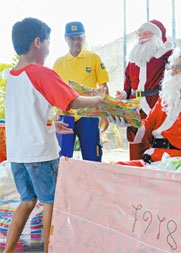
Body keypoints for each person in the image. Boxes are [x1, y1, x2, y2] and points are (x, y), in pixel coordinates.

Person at [4, 17, 106, 253]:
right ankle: (49, 250)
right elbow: (74, 101)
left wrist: (50, 125)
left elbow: (27, 112)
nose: (50, 48)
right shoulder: (41, 73)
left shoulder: (12, 76)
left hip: (18, 155)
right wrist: (99, 99)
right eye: (48, 42)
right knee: (51, 202)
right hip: (40, 154)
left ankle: (8, 251)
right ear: (37, 42)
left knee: (28, 201)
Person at [109, 45, 181, 167]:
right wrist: (131, 122)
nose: (173, 72)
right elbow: (147, 126)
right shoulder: (165, 100)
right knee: (112, 170)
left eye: (180, 67)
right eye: (172, 67)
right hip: (152, 161)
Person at [115, 19, 173, 160]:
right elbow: (128, 81)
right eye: (139, 34)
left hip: (156, 103)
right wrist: (124, 93)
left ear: (156, 36)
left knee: (157, 141)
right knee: (136, 143)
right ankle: (136, 175)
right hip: (136, 105)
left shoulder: (166, 56)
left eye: (146, 33)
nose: (142, 38)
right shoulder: (133, 59)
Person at [53, 21, 109, 162]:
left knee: (92, 158)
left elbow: (104, 87)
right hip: (66, 116)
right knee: (63, 158)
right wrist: (56, 109)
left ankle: (93, 184)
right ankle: (64, 184)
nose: (76, 42)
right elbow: (53, 91)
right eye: (72, 38)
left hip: (89, 115)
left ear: (84, 37)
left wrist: (105, 113)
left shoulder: (94, 58)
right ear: (66, 39)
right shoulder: (59, 63)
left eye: (79, 38)